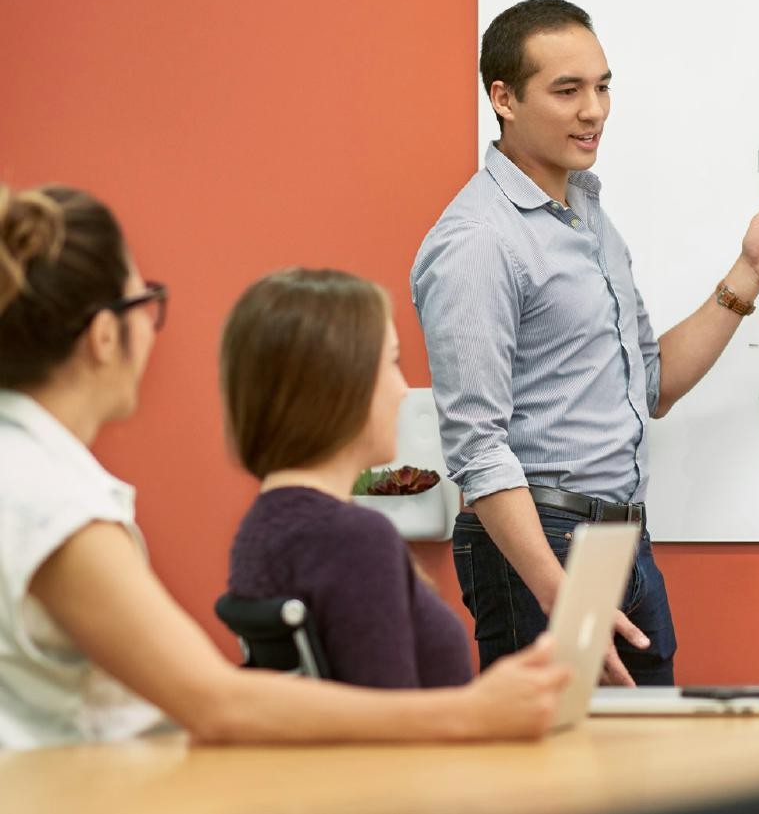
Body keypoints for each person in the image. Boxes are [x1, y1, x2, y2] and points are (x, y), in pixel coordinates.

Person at [0, 184, 567, 748]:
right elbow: (215, 704)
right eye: (145, 301)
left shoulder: (30, 476)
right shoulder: (52, 502)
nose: (152, 327)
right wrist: (476, 711)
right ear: (104, 336)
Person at [411, 0, 759, 685]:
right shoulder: (477, 243)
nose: (595, 110)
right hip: (545, 546)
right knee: (565, 784)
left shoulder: (586, 214)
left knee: (647, 770)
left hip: (622, 539)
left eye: (603, 85)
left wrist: (751, 272)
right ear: (504, 98)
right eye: (567, 90)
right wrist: (562, 597)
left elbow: (651, 384)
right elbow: (477, 448)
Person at [221, 269, 470, 688]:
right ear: (338, 384)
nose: (404, 390)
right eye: (392, 363)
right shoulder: (352, 539)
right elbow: (391, 728)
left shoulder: (262, 528)